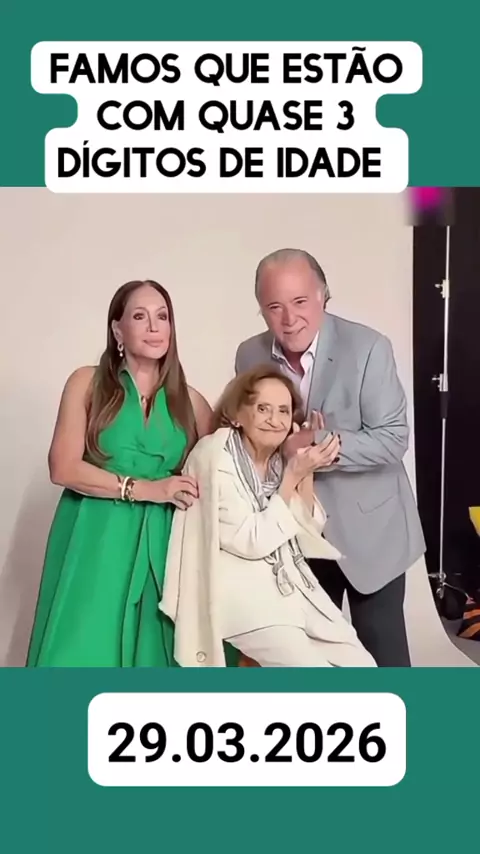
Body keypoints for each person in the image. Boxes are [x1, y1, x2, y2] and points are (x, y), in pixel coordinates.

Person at [234, 248, 426, 667]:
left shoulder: (368, 347)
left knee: (385, 661)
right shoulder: (248, 356)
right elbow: (249, 438)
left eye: (300, 301)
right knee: (306, 662)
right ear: (261, 309)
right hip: (296, 536)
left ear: (323, 296)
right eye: (274, 307)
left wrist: (315, 441)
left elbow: (393, 438)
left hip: (372, 535)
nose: (289, 319)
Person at [27, 279, 213, 667]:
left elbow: (224, 476)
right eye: (140, 316)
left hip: (165, 545)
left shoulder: (192, 402)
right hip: (95, 535)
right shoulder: (86, 382)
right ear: (117, 330)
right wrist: (144, 489)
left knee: (160, 658)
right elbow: (62, 467)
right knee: (80, 646)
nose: (154, 327)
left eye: (163, 317)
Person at [160, 366, 376, 668]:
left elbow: (308, 529)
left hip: (290, 590)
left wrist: (304, 470)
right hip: (243, 600)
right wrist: (292, 476)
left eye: (283, 411)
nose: (275, 420)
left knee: (364, 667)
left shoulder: (276, 459)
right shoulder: (213, 456)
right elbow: (252, 540)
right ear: (237, 414)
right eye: (263, 409)